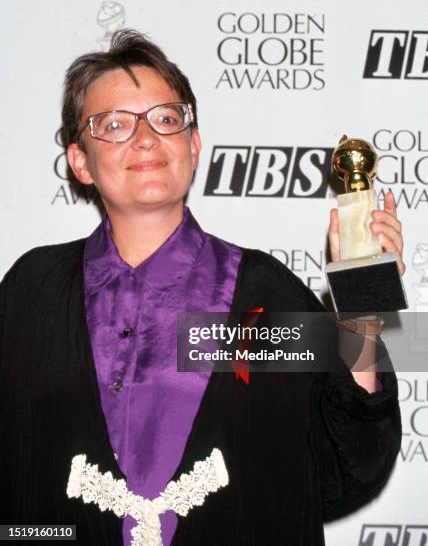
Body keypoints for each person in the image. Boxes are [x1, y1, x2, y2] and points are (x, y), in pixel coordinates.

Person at [0, 30, 404, 546]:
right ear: (80, 161)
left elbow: (345, 460)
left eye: (166, 119)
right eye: (116, 124)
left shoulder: (268, 294)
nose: (145, 138)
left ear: (193, 145)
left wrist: (361, 295)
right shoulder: (30, 292)